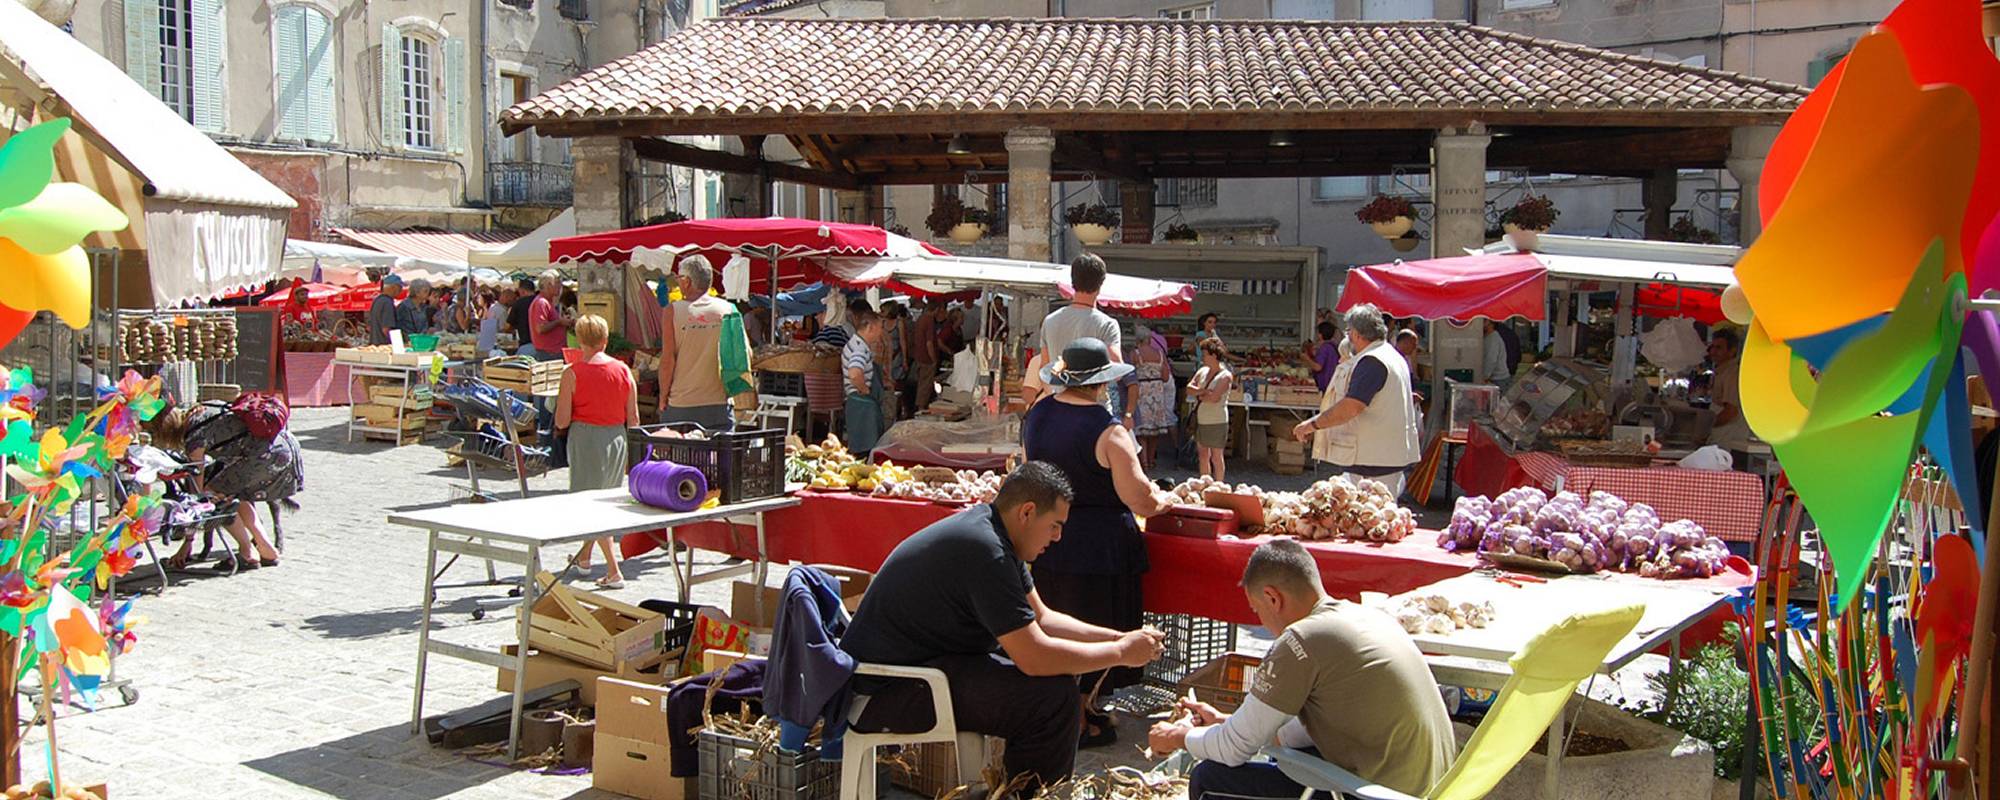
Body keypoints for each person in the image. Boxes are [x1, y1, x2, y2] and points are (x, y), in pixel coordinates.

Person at [840, 462, 1167, 794]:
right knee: (1052, 701)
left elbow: (1042, 619)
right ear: (1027, 512)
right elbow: (1034, 657)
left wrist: (1120, 637)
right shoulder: (986, 550)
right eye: (1054, 525)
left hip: (925, 669)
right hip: (882, 692)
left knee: (1063, 676)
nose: (1058, 537)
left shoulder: (995, 534)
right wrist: (1121, 653)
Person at [1146, 539, 1457, 800]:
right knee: (1285, 755)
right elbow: (1295, 732)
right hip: (1432, 788)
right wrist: (1225, 722)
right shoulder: (1367, 616)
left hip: (1380, 794)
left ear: (1272, 598)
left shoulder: (1301, 639)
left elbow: (1233, 748)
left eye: (1257, 610)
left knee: (1209, 779)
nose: (1261, 622)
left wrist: (1178, 736)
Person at [1023, 337, 1178, 747]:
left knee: (1055, 627)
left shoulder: (1037, 414)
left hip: (1048, 538)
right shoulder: (1109, 431)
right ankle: (1076, 720)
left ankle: (1071, 711)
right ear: (1100, 383)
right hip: (1099, 546)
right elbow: (1138, 498)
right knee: (1093, 630)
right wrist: (1164, 501)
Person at [147, 400, 303, 572]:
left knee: (214, 499)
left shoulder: (193, 439)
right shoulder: (205, 408)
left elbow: (197, 499)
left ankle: (248, 553)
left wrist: (188, 542)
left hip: (263, 455)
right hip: (285, 444)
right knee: (236, 496)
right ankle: (267, 550)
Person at [1291, 304, 1422, 496]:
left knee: (1371, 510)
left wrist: (1312, 425)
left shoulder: (1372, 361)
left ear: (1357, 334)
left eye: (1349, 332)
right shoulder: (1391, 354)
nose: (1348, 337)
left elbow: (1350, 407)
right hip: (1384, 456)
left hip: (1375, 460)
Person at [556, 314, 640, 589]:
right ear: (605, 339)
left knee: (589, 504)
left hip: (586, 438)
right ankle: (584, 558)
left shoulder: (572, 373)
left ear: (579, 341)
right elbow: (634, 419)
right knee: (604, 500)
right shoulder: (623, 370)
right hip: (616, 437)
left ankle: (614, 570)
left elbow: (561, 421)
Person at [659, 255, 750, 431]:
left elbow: (667, 361)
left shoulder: (672, 311)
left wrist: (663, 397)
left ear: (687, 281)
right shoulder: (729, 310)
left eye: (679, 278)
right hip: (719, 404)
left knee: (678, 448)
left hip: (681, 404)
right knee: (720, 449)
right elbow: (744, 354)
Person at [1041, 254, 1125, 369]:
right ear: (1101, 283)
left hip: (1058, 380)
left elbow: (1044, 367)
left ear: (1073, 280)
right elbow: (1116, 367)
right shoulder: (1107, 325)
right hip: (1093, 381)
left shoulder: (1050, 321)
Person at [842, 305, 891, 453]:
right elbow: (854, 373)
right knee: (865, 452)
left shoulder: (858, 344)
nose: (881, 332)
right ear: (870, 327)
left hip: (861, 404)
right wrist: (864, 389)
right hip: (862, 405)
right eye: (880, 328)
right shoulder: (860, 348)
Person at [1128, 324, 1177, 469]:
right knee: (1155, 430)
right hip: (1157, 391)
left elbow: (1129, 374)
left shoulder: (1135, 354)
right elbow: (1166, 376)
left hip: (1142, 390)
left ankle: (1143, 462)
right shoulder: (1160, 354)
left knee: (1142, 430)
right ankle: (1151, 460)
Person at [1188, 338, 1233, 481]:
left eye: (1205, 354)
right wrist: (1203, 392)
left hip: (1216, 421)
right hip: (1201, 419)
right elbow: (1189, 389)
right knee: (1203, 455)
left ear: (1214, 355)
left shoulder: (1225, 376)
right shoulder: (1202, 371)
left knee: (1216, 456)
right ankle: (1204, 483)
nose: (1202, 357)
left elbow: (1214, 398)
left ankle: (1218, 484)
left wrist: (1199, 394)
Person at [1706, 329, 1751, 449]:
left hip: (1729, 436)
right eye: (1712, 347)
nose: (1713, 351)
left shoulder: (1732, 373)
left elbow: (1731, 412)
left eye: (1719, 348)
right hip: (1720, 435)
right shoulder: (1720, 371)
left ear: (1732, 351)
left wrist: (1705, 427)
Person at [527, 270, 572, 362]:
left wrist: (564, 322)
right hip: (550, 353)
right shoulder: (541, 302)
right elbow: (540, 328)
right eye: (557, 283)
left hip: (553, 352)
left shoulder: (547, 302)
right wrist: (559, 321)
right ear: (548, 285)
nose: (560, 286)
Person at [912, 299, 943, 411]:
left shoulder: (920, 318)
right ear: (936, 309)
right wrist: (933, 358)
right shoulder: (929, 320)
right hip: (927, 358)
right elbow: (929, 342)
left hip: (919, 355)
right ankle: (921, 406)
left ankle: (920, 406)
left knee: (922, 383)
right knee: (925, 385)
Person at [1300, 321, 1342, 393]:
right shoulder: (1333, 346)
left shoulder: (1324, 348)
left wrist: (1306, 358)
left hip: (1325, 385)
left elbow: (1318, 367)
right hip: (1332, 383)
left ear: (1320, 335)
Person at [367, 275, 405, 345]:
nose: (401, 290)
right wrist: (397, 344)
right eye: (400, 288)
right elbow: (386, 329)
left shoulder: (376, 300)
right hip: (384, 345)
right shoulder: (387, 303)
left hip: (374, 344)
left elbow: (369, 327)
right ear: (393, 287)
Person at [509, 278, 538, 354]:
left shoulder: (518, 303)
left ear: (522, 291)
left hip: (525, 344)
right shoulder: (541, 301)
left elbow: (508, 325)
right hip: (542, 344)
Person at [476, 288, 506, 358]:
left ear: (485, 298)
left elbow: (502, 327)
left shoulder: (495, 309)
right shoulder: (481, 311)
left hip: (495, 340)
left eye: (479, 298)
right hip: (485, 341)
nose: (477, 300)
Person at [1481, 319, 1511, 385]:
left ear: (1491, 324)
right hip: (1496, 378)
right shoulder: (1488, 337)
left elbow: (1491, 359)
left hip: (1498, 379)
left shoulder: (1493, 338)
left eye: (1484, 321)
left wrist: (1484, 377)